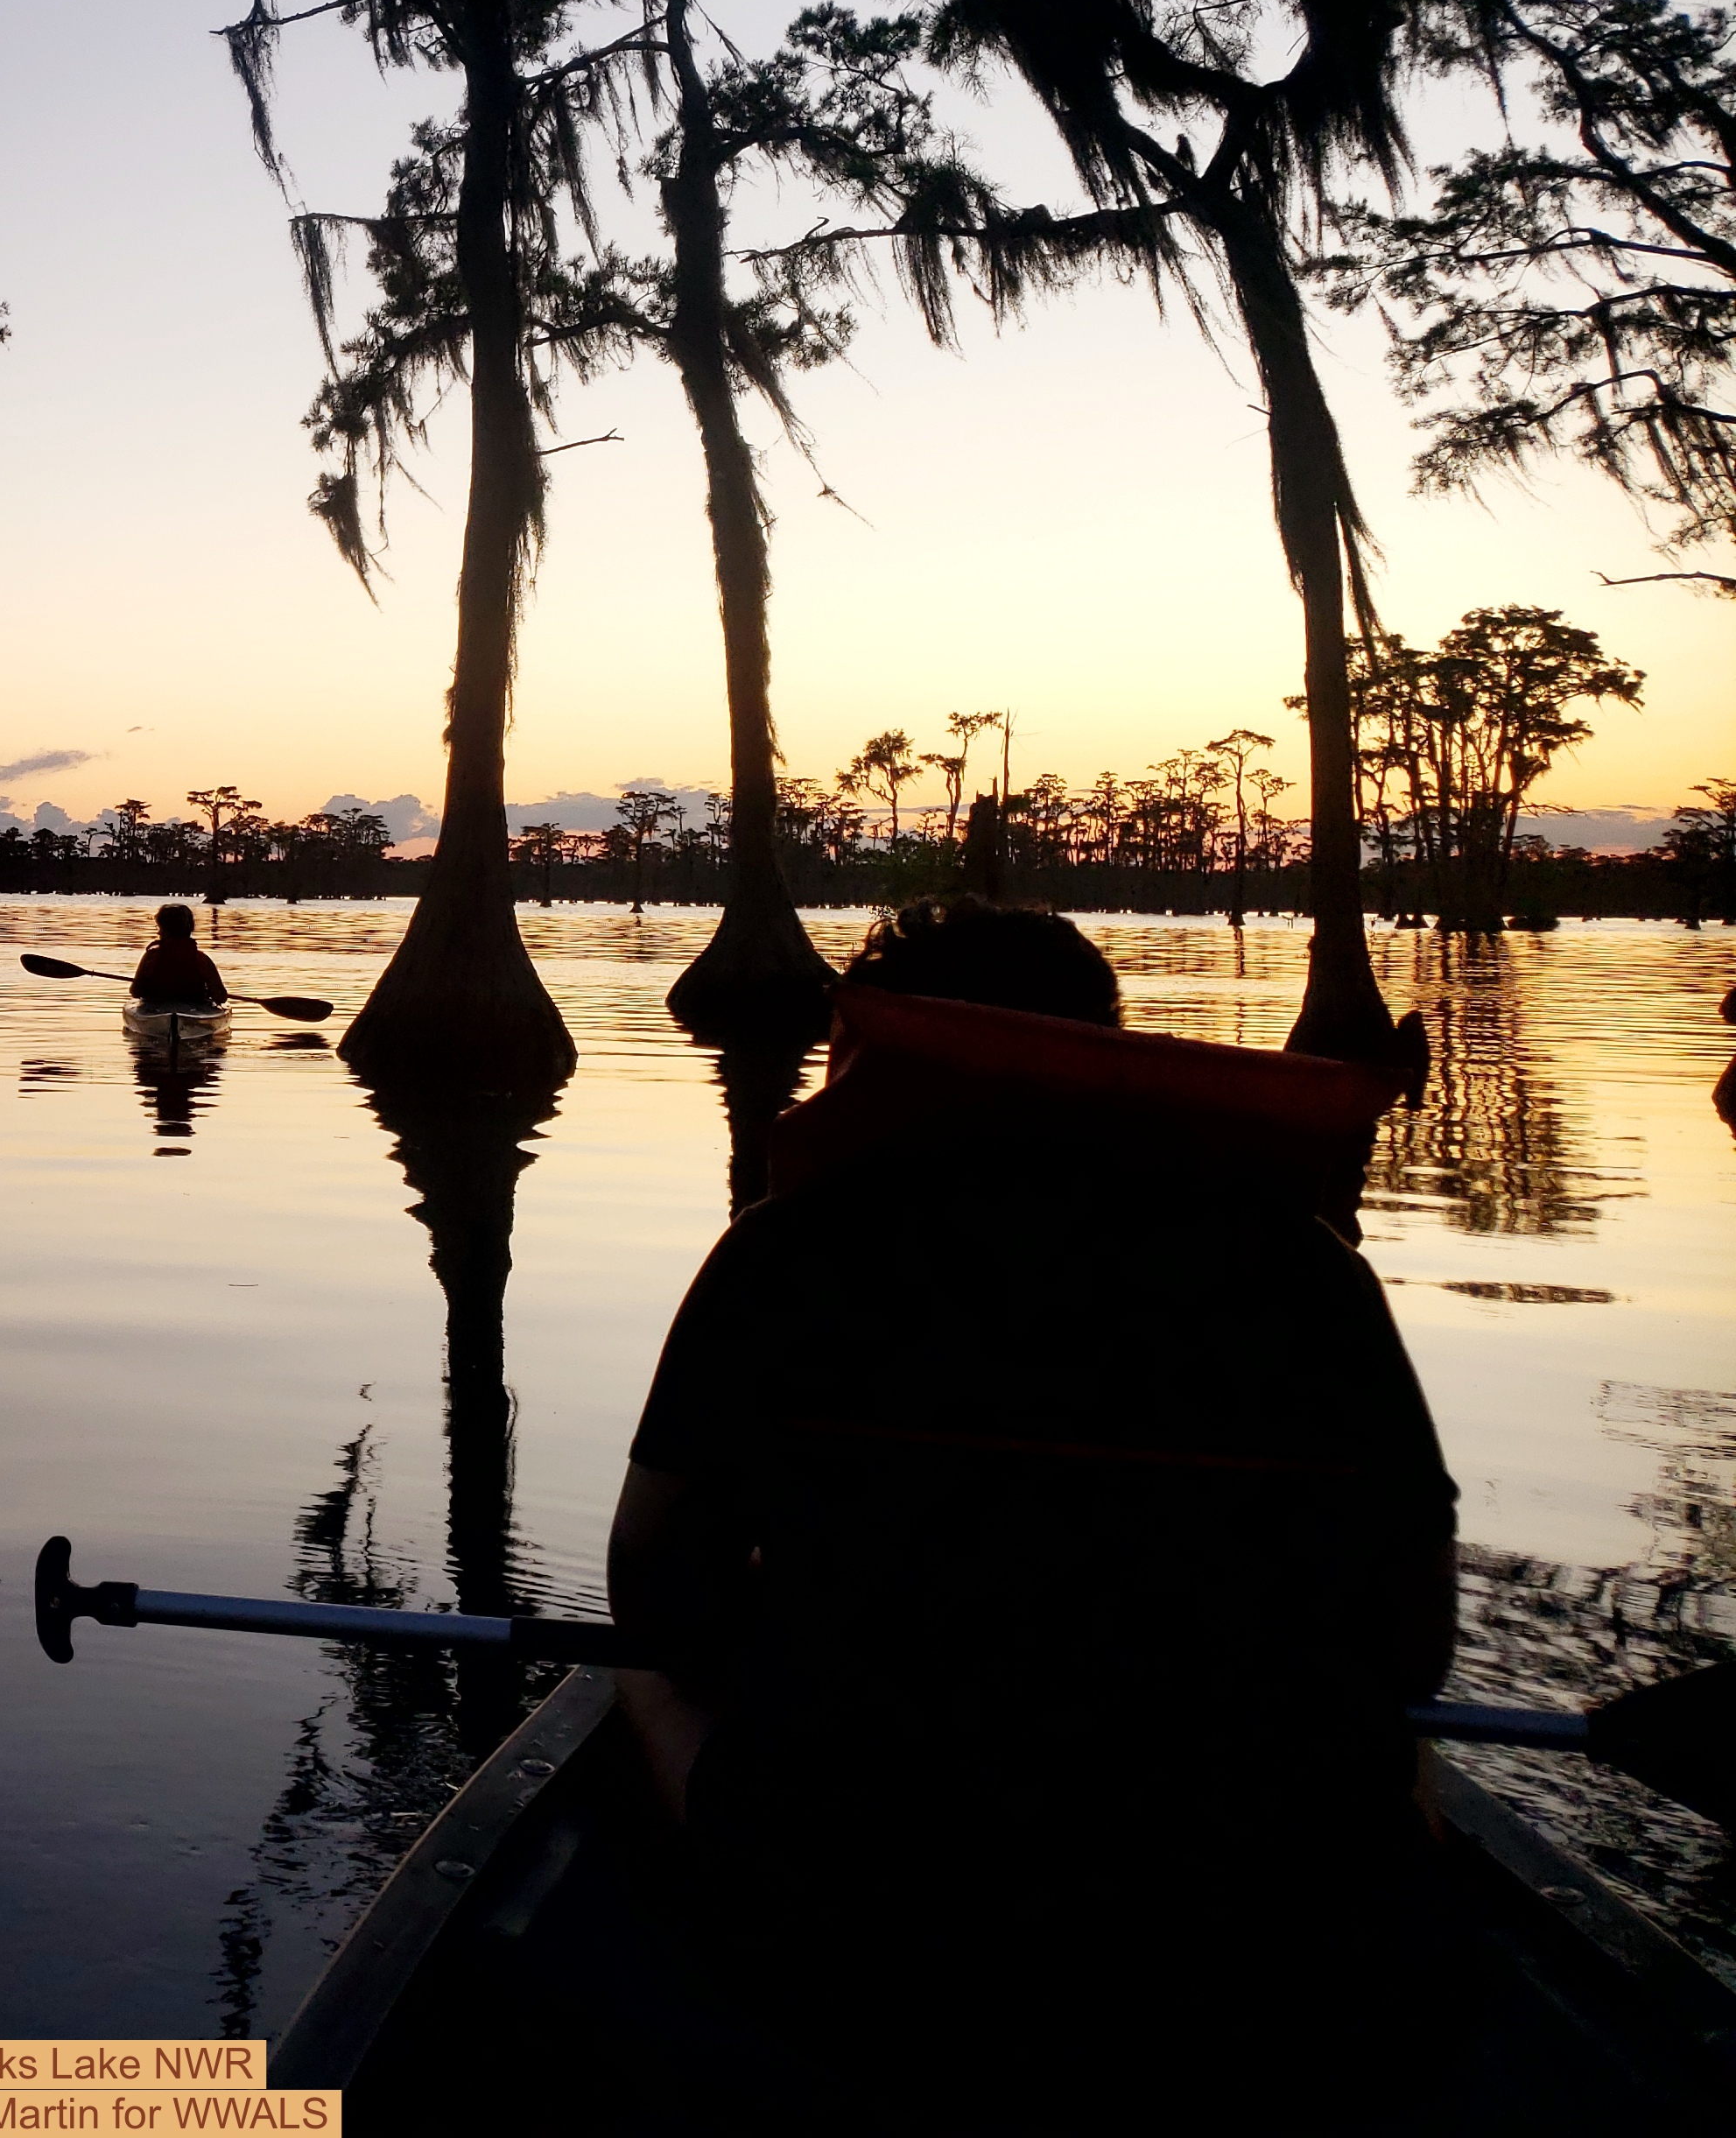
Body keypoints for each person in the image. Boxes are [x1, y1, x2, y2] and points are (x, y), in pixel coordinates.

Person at [607, 898, 1454, 2125]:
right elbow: (1415, 1641)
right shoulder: (1302, 1266)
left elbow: (654, 1596)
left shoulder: (792, 1253)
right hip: (1253, 1885)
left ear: (877, 1050)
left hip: (859, 1884)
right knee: (1393, 1751)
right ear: (1109, 1049)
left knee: (633, 1675)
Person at [128, 903, 228, 1008]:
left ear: (164, 930)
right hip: (194, 1007)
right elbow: (221, 996)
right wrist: (209, 993)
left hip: (157, 1008)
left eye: (160, 928)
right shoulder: (201, 959)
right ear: (190, 928)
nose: (158, 933)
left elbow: (135, 991)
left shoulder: (151, 957)